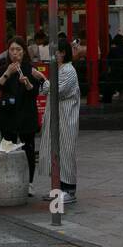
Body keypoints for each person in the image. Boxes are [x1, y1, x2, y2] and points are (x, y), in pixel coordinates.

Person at [0, 36, 45, 191]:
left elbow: (35, 92)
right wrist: (7, 74)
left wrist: (28, 83)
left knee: (28, 149)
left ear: (24, 52)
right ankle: (8, 179)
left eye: (18, 50)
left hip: (26, 115)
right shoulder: (3, 68)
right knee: (7, 148)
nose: (15, 53)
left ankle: (28, 183)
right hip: (8, 115)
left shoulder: (30, 69)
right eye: (12, 50)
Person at [37, 38, 80, 205]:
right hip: (57, 117)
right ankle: (57, 188)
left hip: (66, 118)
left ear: (62, 52)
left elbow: (57, 90)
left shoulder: (68, 70)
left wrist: (42, 78)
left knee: (66, 153)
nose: (52, 54)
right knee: (54, 152)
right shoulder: (59, 68)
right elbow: (49, 89)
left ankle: (68, 189)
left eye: (55, 51)